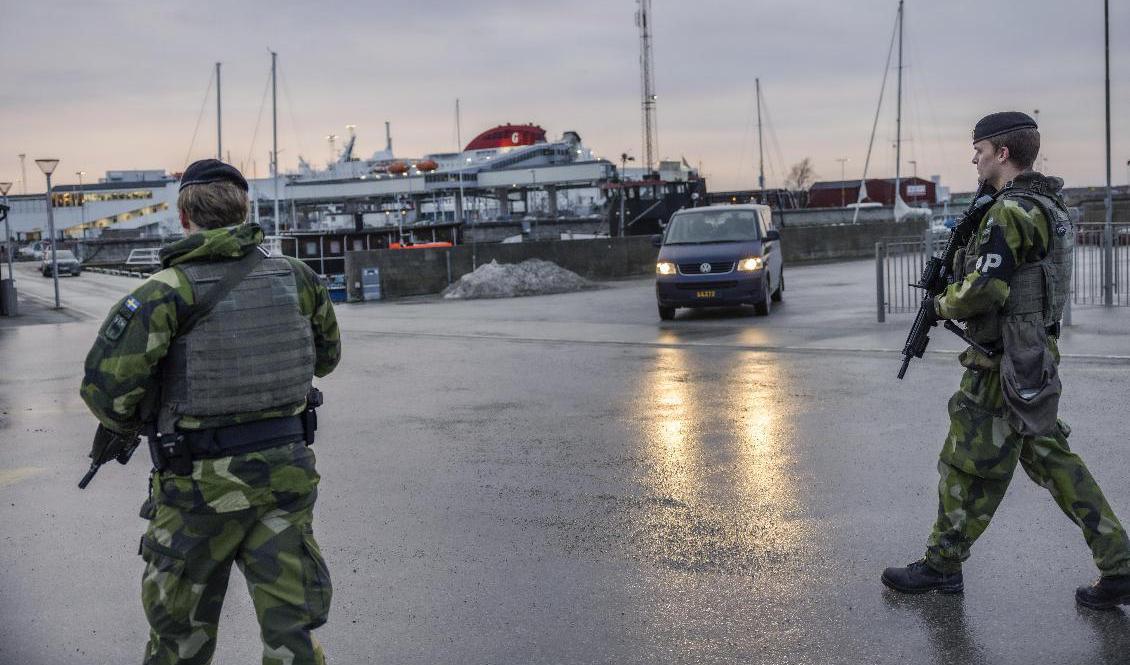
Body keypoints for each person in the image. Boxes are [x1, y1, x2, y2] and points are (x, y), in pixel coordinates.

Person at [80, 159, 341, 663]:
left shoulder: (162, 294)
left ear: (184, 217)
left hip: (196, 491)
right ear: (244, 211)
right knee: (293, 635)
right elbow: (326, 360)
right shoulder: (298, 278)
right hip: (285, 479)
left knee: (179, 641)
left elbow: (107, 396)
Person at [881, 112, 1130, 610]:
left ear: (1002, 152)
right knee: (1054, 459)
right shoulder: (1047, 204)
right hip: (1030, 352)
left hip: (1002, 361)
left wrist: (941, 302)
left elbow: (986, 289)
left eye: (980, 148)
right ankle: (1120, 563)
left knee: (965, 462)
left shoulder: (1011, 212)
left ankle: (941, 565)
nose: (974, 157)